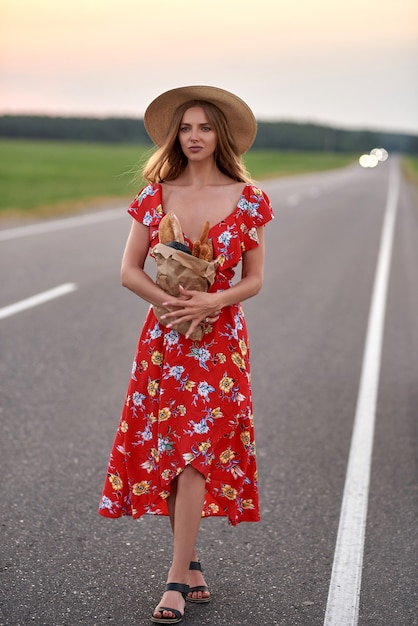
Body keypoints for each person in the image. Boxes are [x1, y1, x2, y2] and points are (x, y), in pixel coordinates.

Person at [98, 85, 274, 624]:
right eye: (185, 128)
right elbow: (129, 272)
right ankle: (191, 561)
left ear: (221, 135)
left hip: (219, 342)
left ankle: (174, 579)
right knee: (172, 453)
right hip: (165, 340)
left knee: (197, 451)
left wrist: (213, 302)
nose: (194, 137)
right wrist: (174, 307)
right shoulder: (155, 194)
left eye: (204, 127)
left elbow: (255, 281)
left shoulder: (248, 200)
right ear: (175, 136)